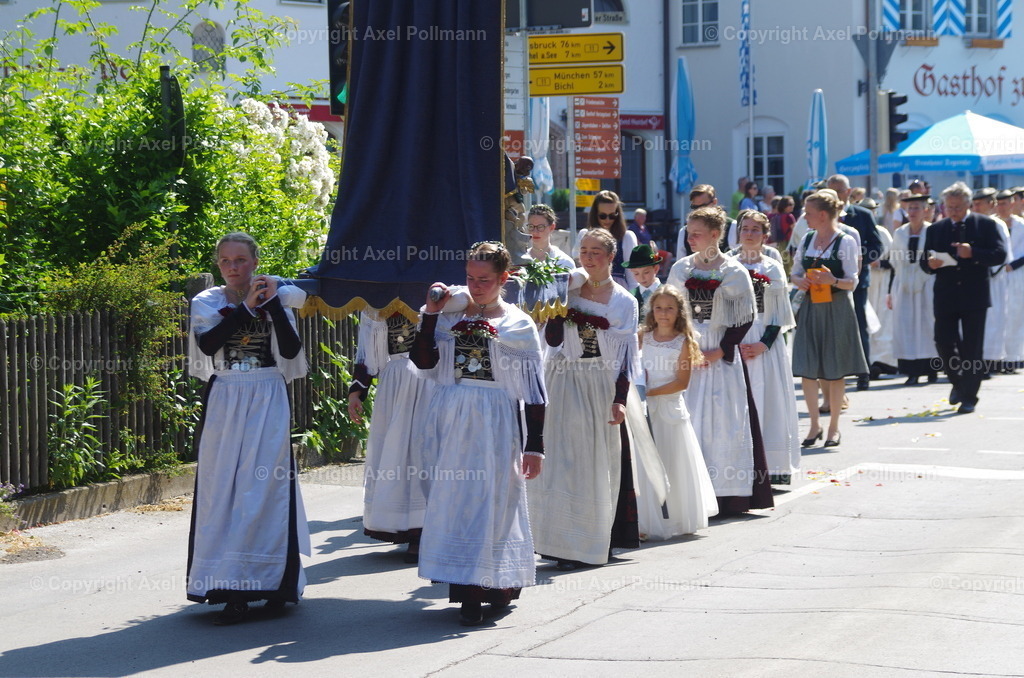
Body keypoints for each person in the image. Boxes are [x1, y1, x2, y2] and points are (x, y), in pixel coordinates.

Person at [410, 241, 547, 626]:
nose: (476, 286)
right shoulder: (449, 314)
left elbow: (534, 393)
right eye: (470, 278)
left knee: (493, 501)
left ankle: (491, 586)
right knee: (455, 499)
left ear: (504, 278)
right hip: (450, 415)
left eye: (485, 280)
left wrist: (535, 446)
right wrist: (431, 315)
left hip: (495, 418)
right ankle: (465, 589)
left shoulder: (518, 324)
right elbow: (422, 362)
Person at [186, 232, 310, 625]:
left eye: (241, 260)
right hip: (226, 395)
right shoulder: (207, 302)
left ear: (255, 262)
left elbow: (290, 351)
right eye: (226, 261)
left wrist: (270, 305)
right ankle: (227, 585)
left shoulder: (276, 296)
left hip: (267, 393)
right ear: (218, 264)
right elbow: (209, 346)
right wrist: (245, 309)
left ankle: (274, 584)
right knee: (222, 489)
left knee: (265, 489)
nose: (233, 267)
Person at [531, 228, 642, 570]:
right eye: (584, 251)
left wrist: (620, 399)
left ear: (610, 257)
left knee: (592, 462)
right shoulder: (569, 289)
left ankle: (589, 541)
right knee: (560, 460)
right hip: (562, 377)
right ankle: (557, 541)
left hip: (597, 383)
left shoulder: (624, 302)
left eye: (596, 252)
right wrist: (558, 301)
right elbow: (552, 341)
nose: (589, 257)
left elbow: (625, 358)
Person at [666, 206, 773, 514]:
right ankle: (688, 495)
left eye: (696, 234)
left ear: (715, 235)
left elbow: (745, 317)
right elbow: (668, 309)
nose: (690, 239)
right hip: (688, 352)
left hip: (719, 355)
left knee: (724, 423)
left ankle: (726, 495)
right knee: (688, 420)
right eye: (688, 233)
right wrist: (681, 344)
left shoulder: (733, 271)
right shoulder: (681, 269)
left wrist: (722, 350)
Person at [636, 285, 718, 539]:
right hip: (643, 408)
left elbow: (682, 382)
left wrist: (650, 393)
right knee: (644, 463)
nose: (663, 313)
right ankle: (645, 518)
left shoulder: (684, 342)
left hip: (668, 408)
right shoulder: (642, 336)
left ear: (679, 312)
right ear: (652, 310)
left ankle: (675, 516)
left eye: (669, 308)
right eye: (658, 308)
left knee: (671, 461)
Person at [790, 190, 868, 448]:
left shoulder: (845, 241)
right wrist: (800, 280)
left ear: (822, 215)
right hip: (810, 305)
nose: (805, 217)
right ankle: (814, 425)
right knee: (808, 367)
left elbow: (852, 282)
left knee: (835, 369)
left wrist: (832, 280)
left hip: (837, 308)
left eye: (808, 213)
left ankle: (834, 427)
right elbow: (795, 272)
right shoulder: (808, 238)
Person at [921, 182, 1006, 414]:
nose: (953, 211)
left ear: (968, 205)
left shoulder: (985, 225)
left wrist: (973, 253)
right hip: (946, 295)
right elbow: (923, 260)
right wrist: (930, 264)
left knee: (972, 348)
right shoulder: (936, 229)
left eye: (958, 207)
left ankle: (969, 396)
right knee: (943, 341)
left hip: (974, 295)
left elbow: (1000, 254)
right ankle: (957, 382)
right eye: (949, 207)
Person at [732, 211, 800, 483]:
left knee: (768, 400)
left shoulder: (771, 267)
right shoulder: (727, 265)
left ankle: (769, 468)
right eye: (745, 228)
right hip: (735, 339)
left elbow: (780, 312)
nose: (749, 234)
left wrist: (763, 344)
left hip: (764, 341)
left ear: (765, 235)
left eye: (755, 230)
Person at [828, 174, 883, 392]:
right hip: (828, 282)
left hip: (856, 281)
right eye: (831, 191)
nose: (834, 196)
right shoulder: (822, 216)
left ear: (848, 192)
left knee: (859, 325)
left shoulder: (862, 214)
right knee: (832, 326)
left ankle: (863, 372)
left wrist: (857, 260)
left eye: (838, 191)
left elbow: (877, 246)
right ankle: (834, 373)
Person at [887, 194, 938, 385]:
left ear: (925, 210)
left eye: (916, 208)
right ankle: (912, 371)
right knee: (906, 325)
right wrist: (890, 292)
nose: (912, 212)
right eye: (910, 208)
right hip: (904, 285)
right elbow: (894, 262)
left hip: (927, 283)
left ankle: (932, 369)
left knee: (928, 325)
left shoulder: (932, 231)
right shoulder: (900, 233)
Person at [975, 188, 1014, 375]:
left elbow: (1003, 254)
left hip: (993, 280)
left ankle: (991, 361)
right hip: (974, 280)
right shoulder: (972, 223)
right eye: (974, 204)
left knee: (994, 320)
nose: (976, 207)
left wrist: (988, 270)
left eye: (980, 204)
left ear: (991, 204)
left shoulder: (997, 224)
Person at [575, 190, 638, 289]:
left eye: (612, 216)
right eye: (603, 216)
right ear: (595, 214)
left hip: (617, 287)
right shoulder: (584, 235)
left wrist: (634, 295)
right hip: (590, 286)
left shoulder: (626, 237)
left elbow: (632, 274)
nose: (607, 220)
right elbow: (579, 266)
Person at [678, 184, 738, 259]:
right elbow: (680, 262)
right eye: (695, 207)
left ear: (714, 202)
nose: (699, 210)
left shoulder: (732, 226)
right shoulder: (684, 231)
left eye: (703, 206)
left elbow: (738, 257)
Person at [1002, 189, 1024, 371]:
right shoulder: (993, 224)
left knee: (1016, 316)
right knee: (999, 317)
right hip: (998, 275)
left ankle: (1014, 357)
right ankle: (998, 357)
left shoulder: (1021, 225)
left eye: (1007, 203)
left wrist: (1014, 265)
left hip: (1017, 275)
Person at [521, 204, 575, 269]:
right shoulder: (521, 260)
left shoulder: (563, 262)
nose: (535, 232)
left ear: (552, 227)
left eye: (540, 227)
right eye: (531, 226)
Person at [622, 244, 663, 325]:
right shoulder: (630, 296)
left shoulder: (667, 293)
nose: (641, 278)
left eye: (646, 272)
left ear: (656, 269)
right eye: (636, 273)